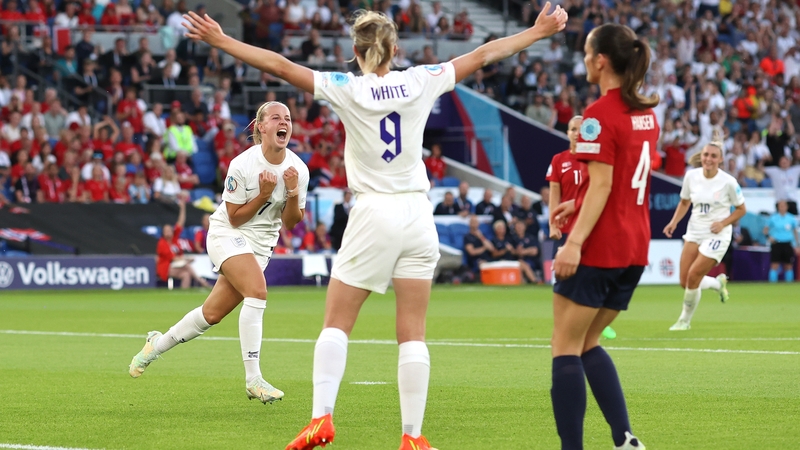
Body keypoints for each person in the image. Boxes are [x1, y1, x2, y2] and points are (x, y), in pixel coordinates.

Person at [181, 5, 567, 450]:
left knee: (336, 323)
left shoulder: (347, 87)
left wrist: (221, 40)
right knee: (413, 332)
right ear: (395, 49)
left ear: (356, 51)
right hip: (418, 214)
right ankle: (413, 436)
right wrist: (537, 31)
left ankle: (321, 420)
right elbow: (483, 54)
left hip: (373, 212)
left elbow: (281, 66)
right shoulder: (421, 79)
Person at [129, 101, 310, 408]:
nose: (284, 122)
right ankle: (253, 379)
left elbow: (292, 222)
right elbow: (235, 218)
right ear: (261, 126)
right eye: (276, 117)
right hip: (227, 234)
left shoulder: (298, 170)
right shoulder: (243, 165)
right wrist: (264, 195)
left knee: (210, 315)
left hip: (260, 247)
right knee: (257, 292)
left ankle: (155, 345)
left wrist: (291, 191)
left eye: (288, 118)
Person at [548, 23, 659, 450]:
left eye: (585, 53)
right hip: (636, 248)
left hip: (600, 248)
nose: (583, 61)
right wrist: (575, 203)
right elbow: (622, 180)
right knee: (588, 341)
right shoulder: (646, 113)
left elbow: (602, 184)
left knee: (565, 346)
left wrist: (573, 242)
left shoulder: (597, 116)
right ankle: (624, 437)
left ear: (601, 60)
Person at [663, 143, 746, 330]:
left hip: (718, 234)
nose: (708, 159)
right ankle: (717, 284)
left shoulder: (728, 182)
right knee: (684, 281)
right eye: (706, 155)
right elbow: (685, 202)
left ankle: (684, 321)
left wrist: (723, 223)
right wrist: (674, 222)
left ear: (721, 159)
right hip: (695, 230)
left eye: (713, 156)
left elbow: (741, 209)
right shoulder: (691, 176)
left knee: (694, 275)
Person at [547, 115, 616, 339]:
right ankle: (567, 324)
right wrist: (552, 223)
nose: (576, 134)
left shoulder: (595, 159)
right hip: (567, 228)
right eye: (572, 130)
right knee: (565, 278)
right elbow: (554, 193)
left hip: (591, 227)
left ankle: (596, 322)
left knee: (594, 276)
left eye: (580, 129)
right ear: (567, 133)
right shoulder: (559, 160)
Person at [154, 199, 210, 289]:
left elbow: (180, 223)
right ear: (163, 233)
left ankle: (184, 292)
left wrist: (183, 208)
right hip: (166, 267)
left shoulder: (174, 239)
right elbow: (173, 258)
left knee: (186, 274)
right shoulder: (162, 243)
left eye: (169, 230)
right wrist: (186, 259)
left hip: (176, 265)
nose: (168, 232)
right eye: (166, 231)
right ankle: (202, 282)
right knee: (187, 266)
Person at [763, 200, 799, 282]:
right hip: (776, 243)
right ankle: (772, 285)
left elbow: (795, 231)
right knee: (774, 265)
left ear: (787, 207)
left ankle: (789, 285)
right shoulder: (773, 218)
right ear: (778, 207)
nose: (782, 207)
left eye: (784, 206)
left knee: (788, 265)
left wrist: (797, 244)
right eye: (780, 206)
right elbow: (765, 229)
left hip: (787, 243)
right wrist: (768, 237)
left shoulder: (791, 218)